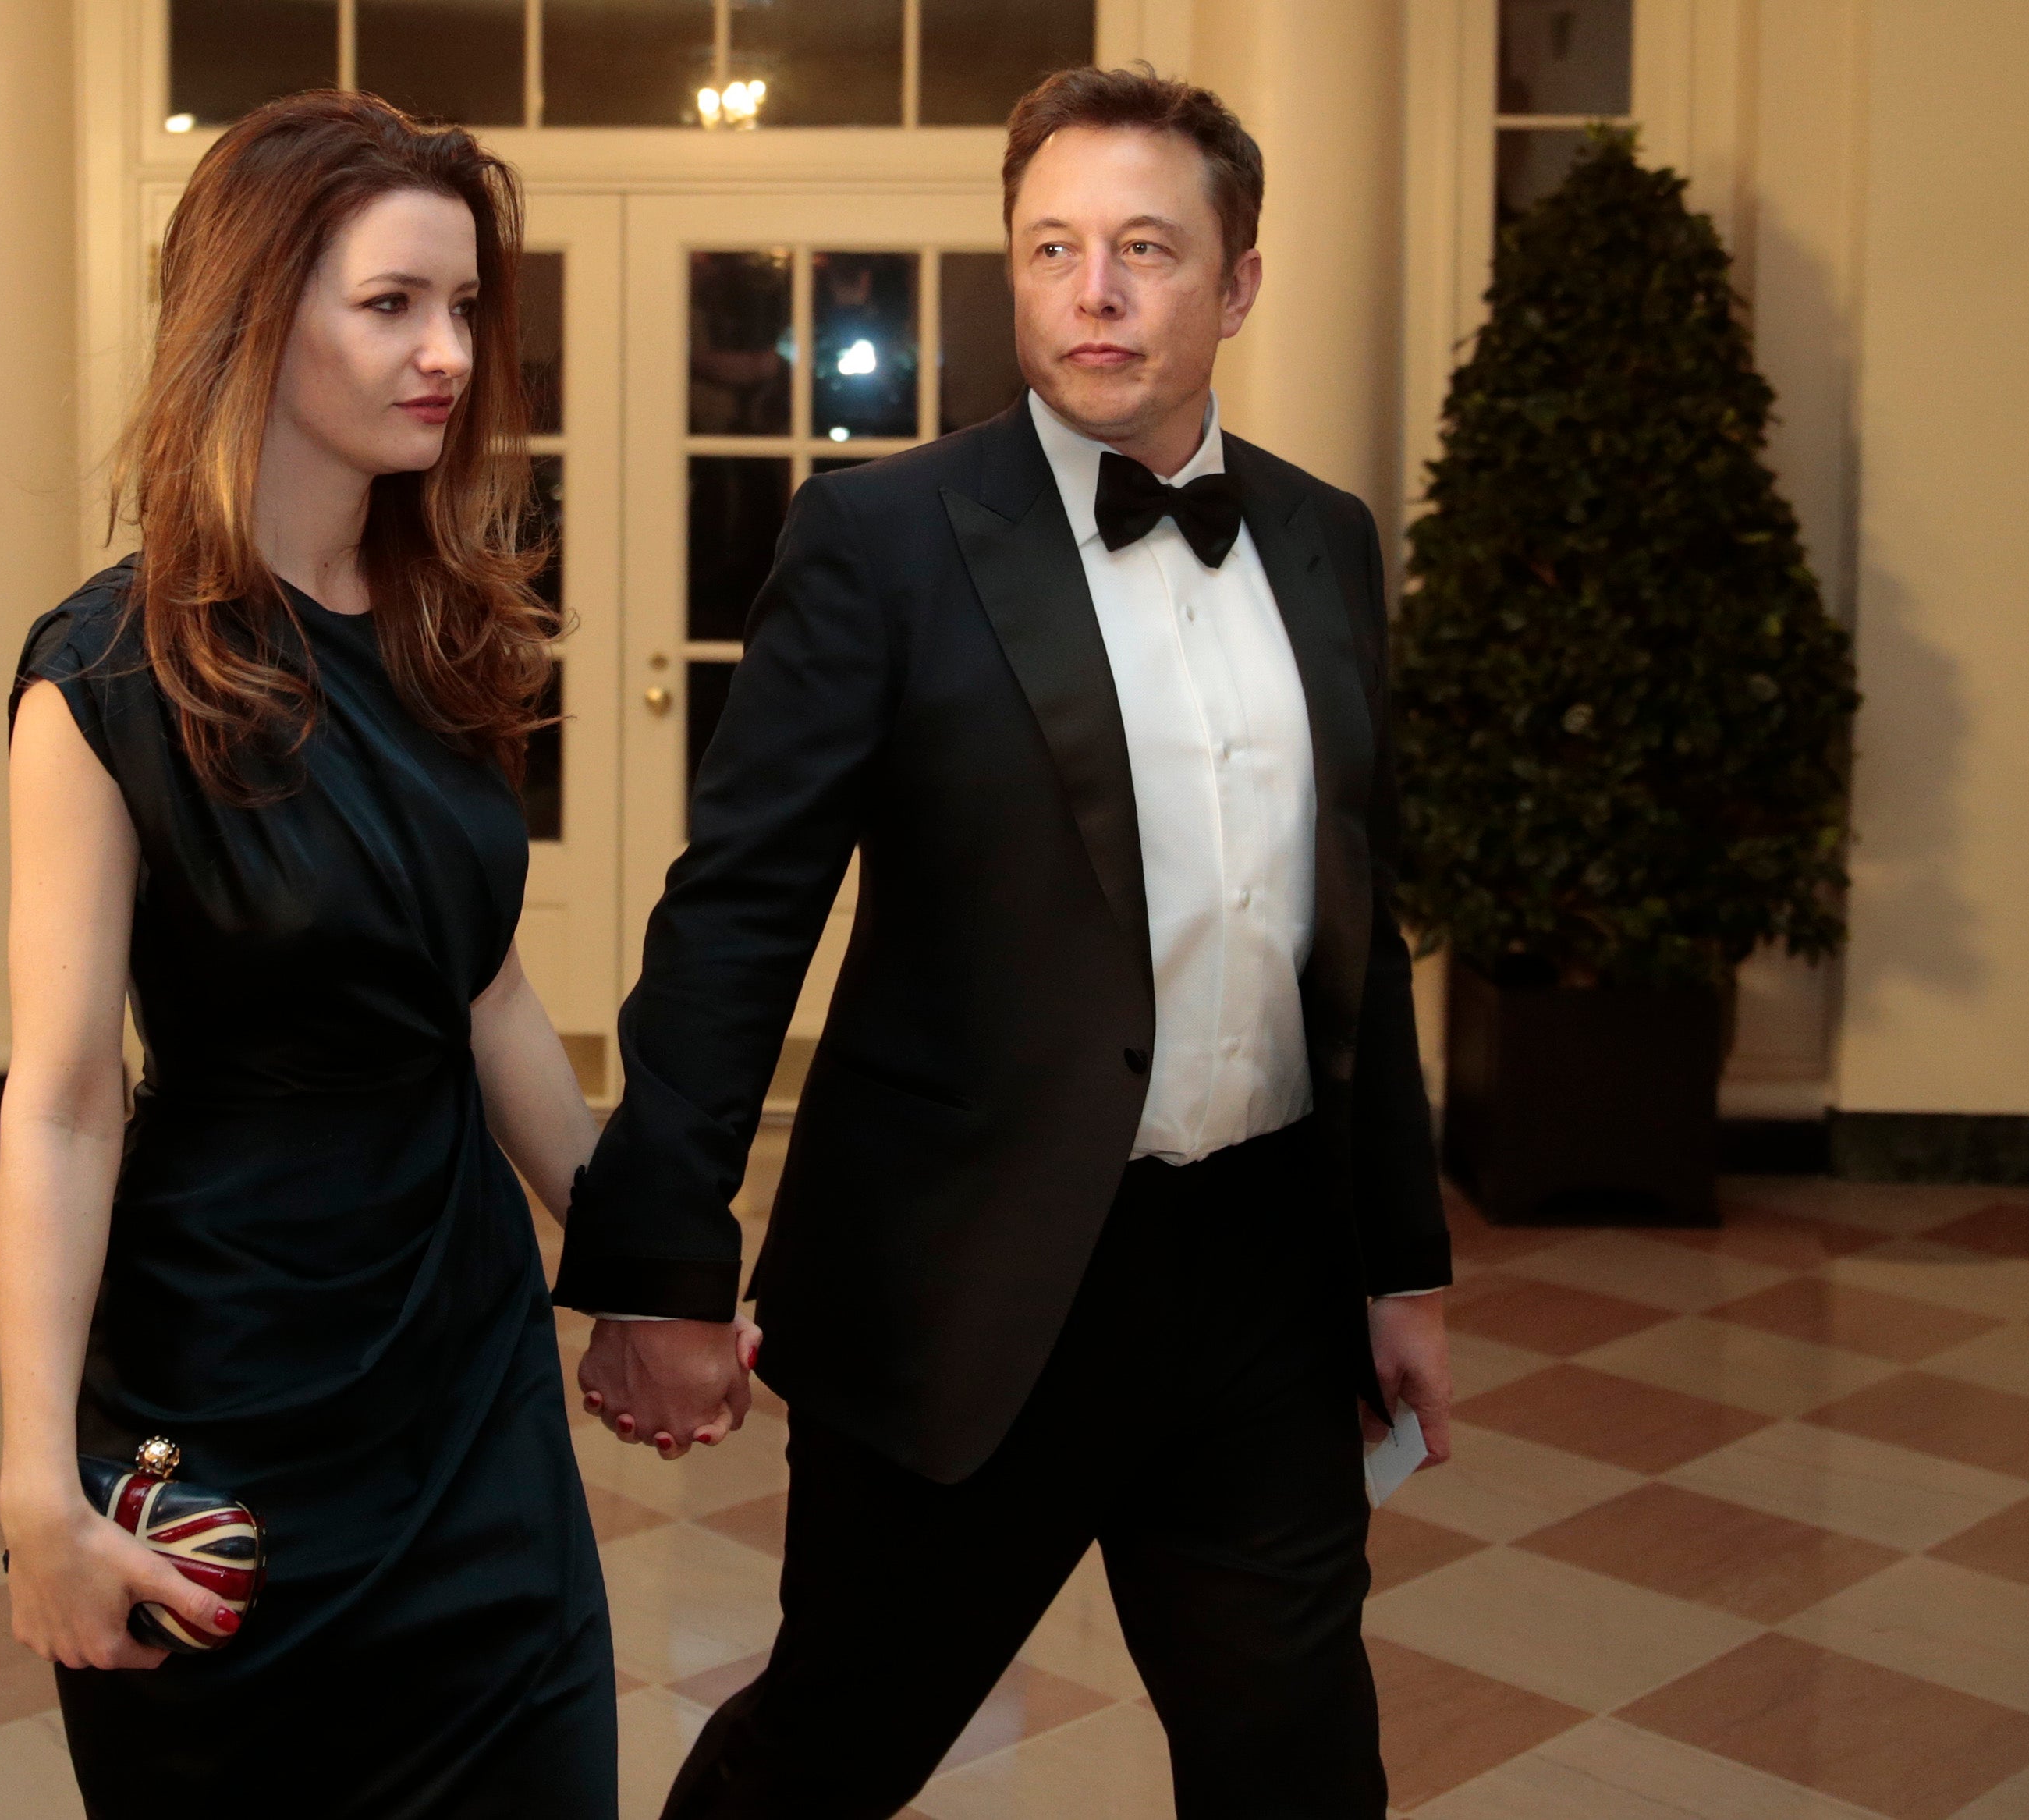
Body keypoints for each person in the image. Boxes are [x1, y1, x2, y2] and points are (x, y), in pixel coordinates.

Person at [556, 66, 1456, 1818]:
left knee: (1297, 1765)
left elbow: (1358, 928)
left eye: (1143, 248)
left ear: (1239, 281)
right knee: (833, 1746)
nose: (1093, 292)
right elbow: (738, 916)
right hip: (969, 1282)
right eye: (1051, 248)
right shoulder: (884, 540)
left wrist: (1396, 1262)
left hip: (1259, 1280)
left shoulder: (1324, 542)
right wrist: (661, 1265)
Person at [0, 92, 645, 1817]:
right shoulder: (109, 682)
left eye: (463, 309)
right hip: (233, 1385)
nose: (448, 352)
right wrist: (33, 1497)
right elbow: (62, 1105)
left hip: (467, 1376)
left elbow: (483, 987)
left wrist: (645, 1263)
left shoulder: (448, 625)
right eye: (393, 305)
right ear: (252, 312)